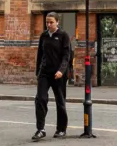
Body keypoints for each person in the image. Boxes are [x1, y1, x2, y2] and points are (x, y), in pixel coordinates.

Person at [32, 12, 73, 141]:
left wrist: (61, 70)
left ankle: (61, 129)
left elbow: (67, 56)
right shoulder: (43, 36)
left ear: (57, 22)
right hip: (45, 72)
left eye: (51, 22)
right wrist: (38, 72)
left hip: (59, 74)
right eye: (47, 22)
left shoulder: (63, 36)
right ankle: (40, 129)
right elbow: (40, 54)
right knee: (40, 99)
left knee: (60, 102)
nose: (49, 25)